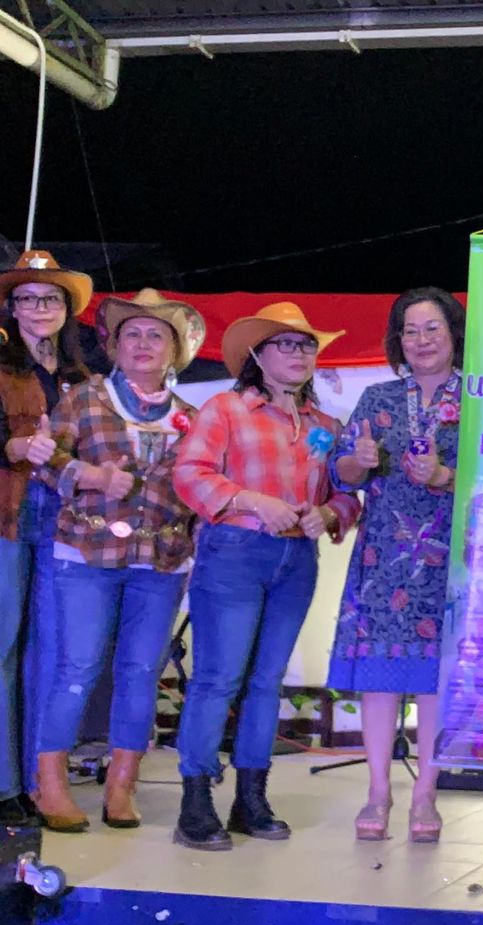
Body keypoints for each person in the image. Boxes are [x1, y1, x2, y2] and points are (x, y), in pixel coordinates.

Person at [171, 302, 359, 851]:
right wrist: (254, 501)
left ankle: (251, 798)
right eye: (286, 344)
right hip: (234, 552)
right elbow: (189, 473)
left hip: (296, 559)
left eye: (306, 345)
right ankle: (195, 801)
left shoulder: (326, 426)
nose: (299, 354)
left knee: (266, 680)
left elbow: (348, 495)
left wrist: (327, 514)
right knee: (218, 678)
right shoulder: (226, 409)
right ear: (258, 354)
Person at [33, 290, 202, 832]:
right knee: (78, 667)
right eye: (133, 334)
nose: (143, 343)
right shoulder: (84, 399)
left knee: (141, 672)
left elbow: (200, 488)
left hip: (161, 559)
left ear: (174, 350)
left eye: (156, 335)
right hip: (85, 551)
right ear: (115, 345)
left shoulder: (192, 418)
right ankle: (49, 783)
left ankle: (121, 785)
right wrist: (89, 475)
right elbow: (46, 462)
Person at [328, 287, 462, 843]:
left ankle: (426, 793)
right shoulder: (377, 397)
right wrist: (357, 463)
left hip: (451, 555)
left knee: (436, 678)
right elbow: (340, 473)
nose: (421, 340)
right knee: (378, 677)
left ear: (454, 333)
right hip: (384, 554)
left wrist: (444, 477)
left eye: (432, 328)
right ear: (397, 340)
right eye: (410, 330)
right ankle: (378, 791)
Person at [0, 251, 94, 827]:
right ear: (11, 308)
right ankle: (4, 784)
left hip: (68, 522)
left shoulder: (83, 378)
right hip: (8, 516)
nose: (40, 307)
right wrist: (9, 447)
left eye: (51, 298)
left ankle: (42, 782)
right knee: (4, 647)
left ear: (66, 310)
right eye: (27, 298)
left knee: (54, 652)